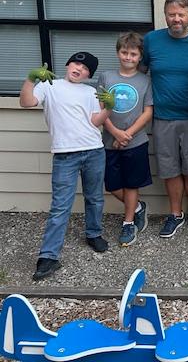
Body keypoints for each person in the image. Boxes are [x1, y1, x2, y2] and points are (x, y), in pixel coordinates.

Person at [19, 52, 113, 280]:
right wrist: (31, 79)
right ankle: (48, 256)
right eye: (76, 63)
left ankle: (93, 233)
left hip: (94, 150)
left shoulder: (90, 92)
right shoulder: (49, 86)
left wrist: (109, 108)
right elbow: (26, 102)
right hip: (64, 155)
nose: (79, 69)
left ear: (89, 74)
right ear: (68, 64)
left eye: (85, 68)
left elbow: (95, 121)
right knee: (60, 206)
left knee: (94, 197)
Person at [141, 0, 188, 239]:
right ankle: (175, 214)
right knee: (169, 168)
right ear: (165, 16)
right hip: (163, 117)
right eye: (172, 14)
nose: (176, 19)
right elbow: (140, 72)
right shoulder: (151, 40)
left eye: (181, 14)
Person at [98, 32, 153, 247]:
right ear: (117, 53)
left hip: (136, 141)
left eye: (133, 54)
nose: (128, 57)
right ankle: (138, 207)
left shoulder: (145, 80)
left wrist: (126, 135)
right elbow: (100, 109)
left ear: (140, 57)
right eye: (124, 52)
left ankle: (128, 222)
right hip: (108, 141)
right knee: (112, 184)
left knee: (131, 183)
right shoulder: (106, 77)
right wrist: (116, 133)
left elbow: (147, 112)